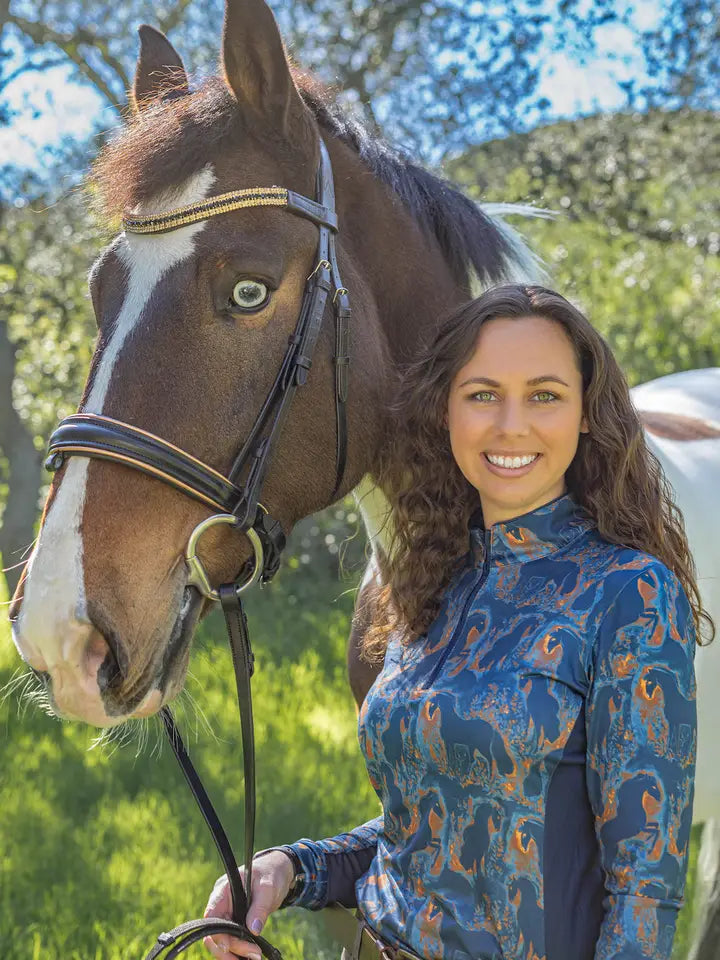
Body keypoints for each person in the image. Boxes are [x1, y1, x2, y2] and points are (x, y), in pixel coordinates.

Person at [203, 284, 706, 960]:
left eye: (545, 395)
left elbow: (645, 891)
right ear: (446, 410)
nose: (510, 424)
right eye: (482, 394)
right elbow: (424, 825)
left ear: (587, 414)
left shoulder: (629, 596)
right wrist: (291, 869)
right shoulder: (427, 579)